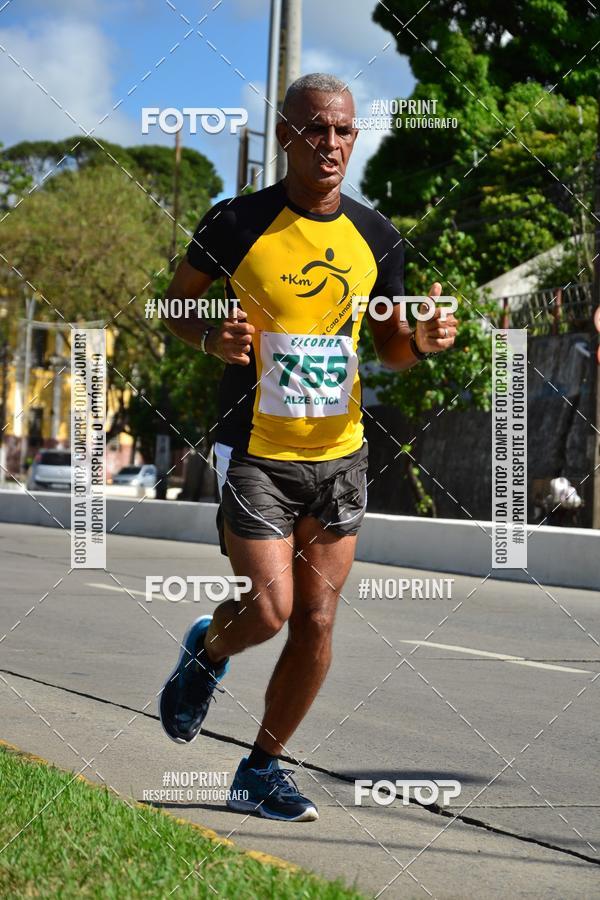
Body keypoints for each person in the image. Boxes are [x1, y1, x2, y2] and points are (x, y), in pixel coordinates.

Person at [159, 73, 458, 822]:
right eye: (316, 129)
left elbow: (388, 346)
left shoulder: (377, 235)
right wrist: (207, 333)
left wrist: (417, 343)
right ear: (287, 134)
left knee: (317, 621)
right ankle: (208, 649)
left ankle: (261, 769)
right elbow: (174, 303)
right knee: (266, 610)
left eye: (344, 131)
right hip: (256, 448)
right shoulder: (236, 221)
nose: (331, 144)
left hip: (341, 452)